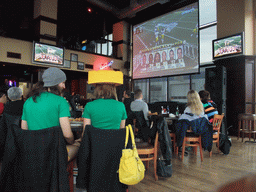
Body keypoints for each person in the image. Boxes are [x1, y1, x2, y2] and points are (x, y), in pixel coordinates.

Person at [21, 67, 75, 145]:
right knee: (77, 146)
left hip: (31, 151)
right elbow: (67, 135)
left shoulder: (28, 101)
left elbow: (24, 130)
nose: (64, 86)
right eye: (63, 82)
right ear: (55, 83)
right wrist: (73, 142)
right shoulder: (61, 101)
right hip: (52, 152)